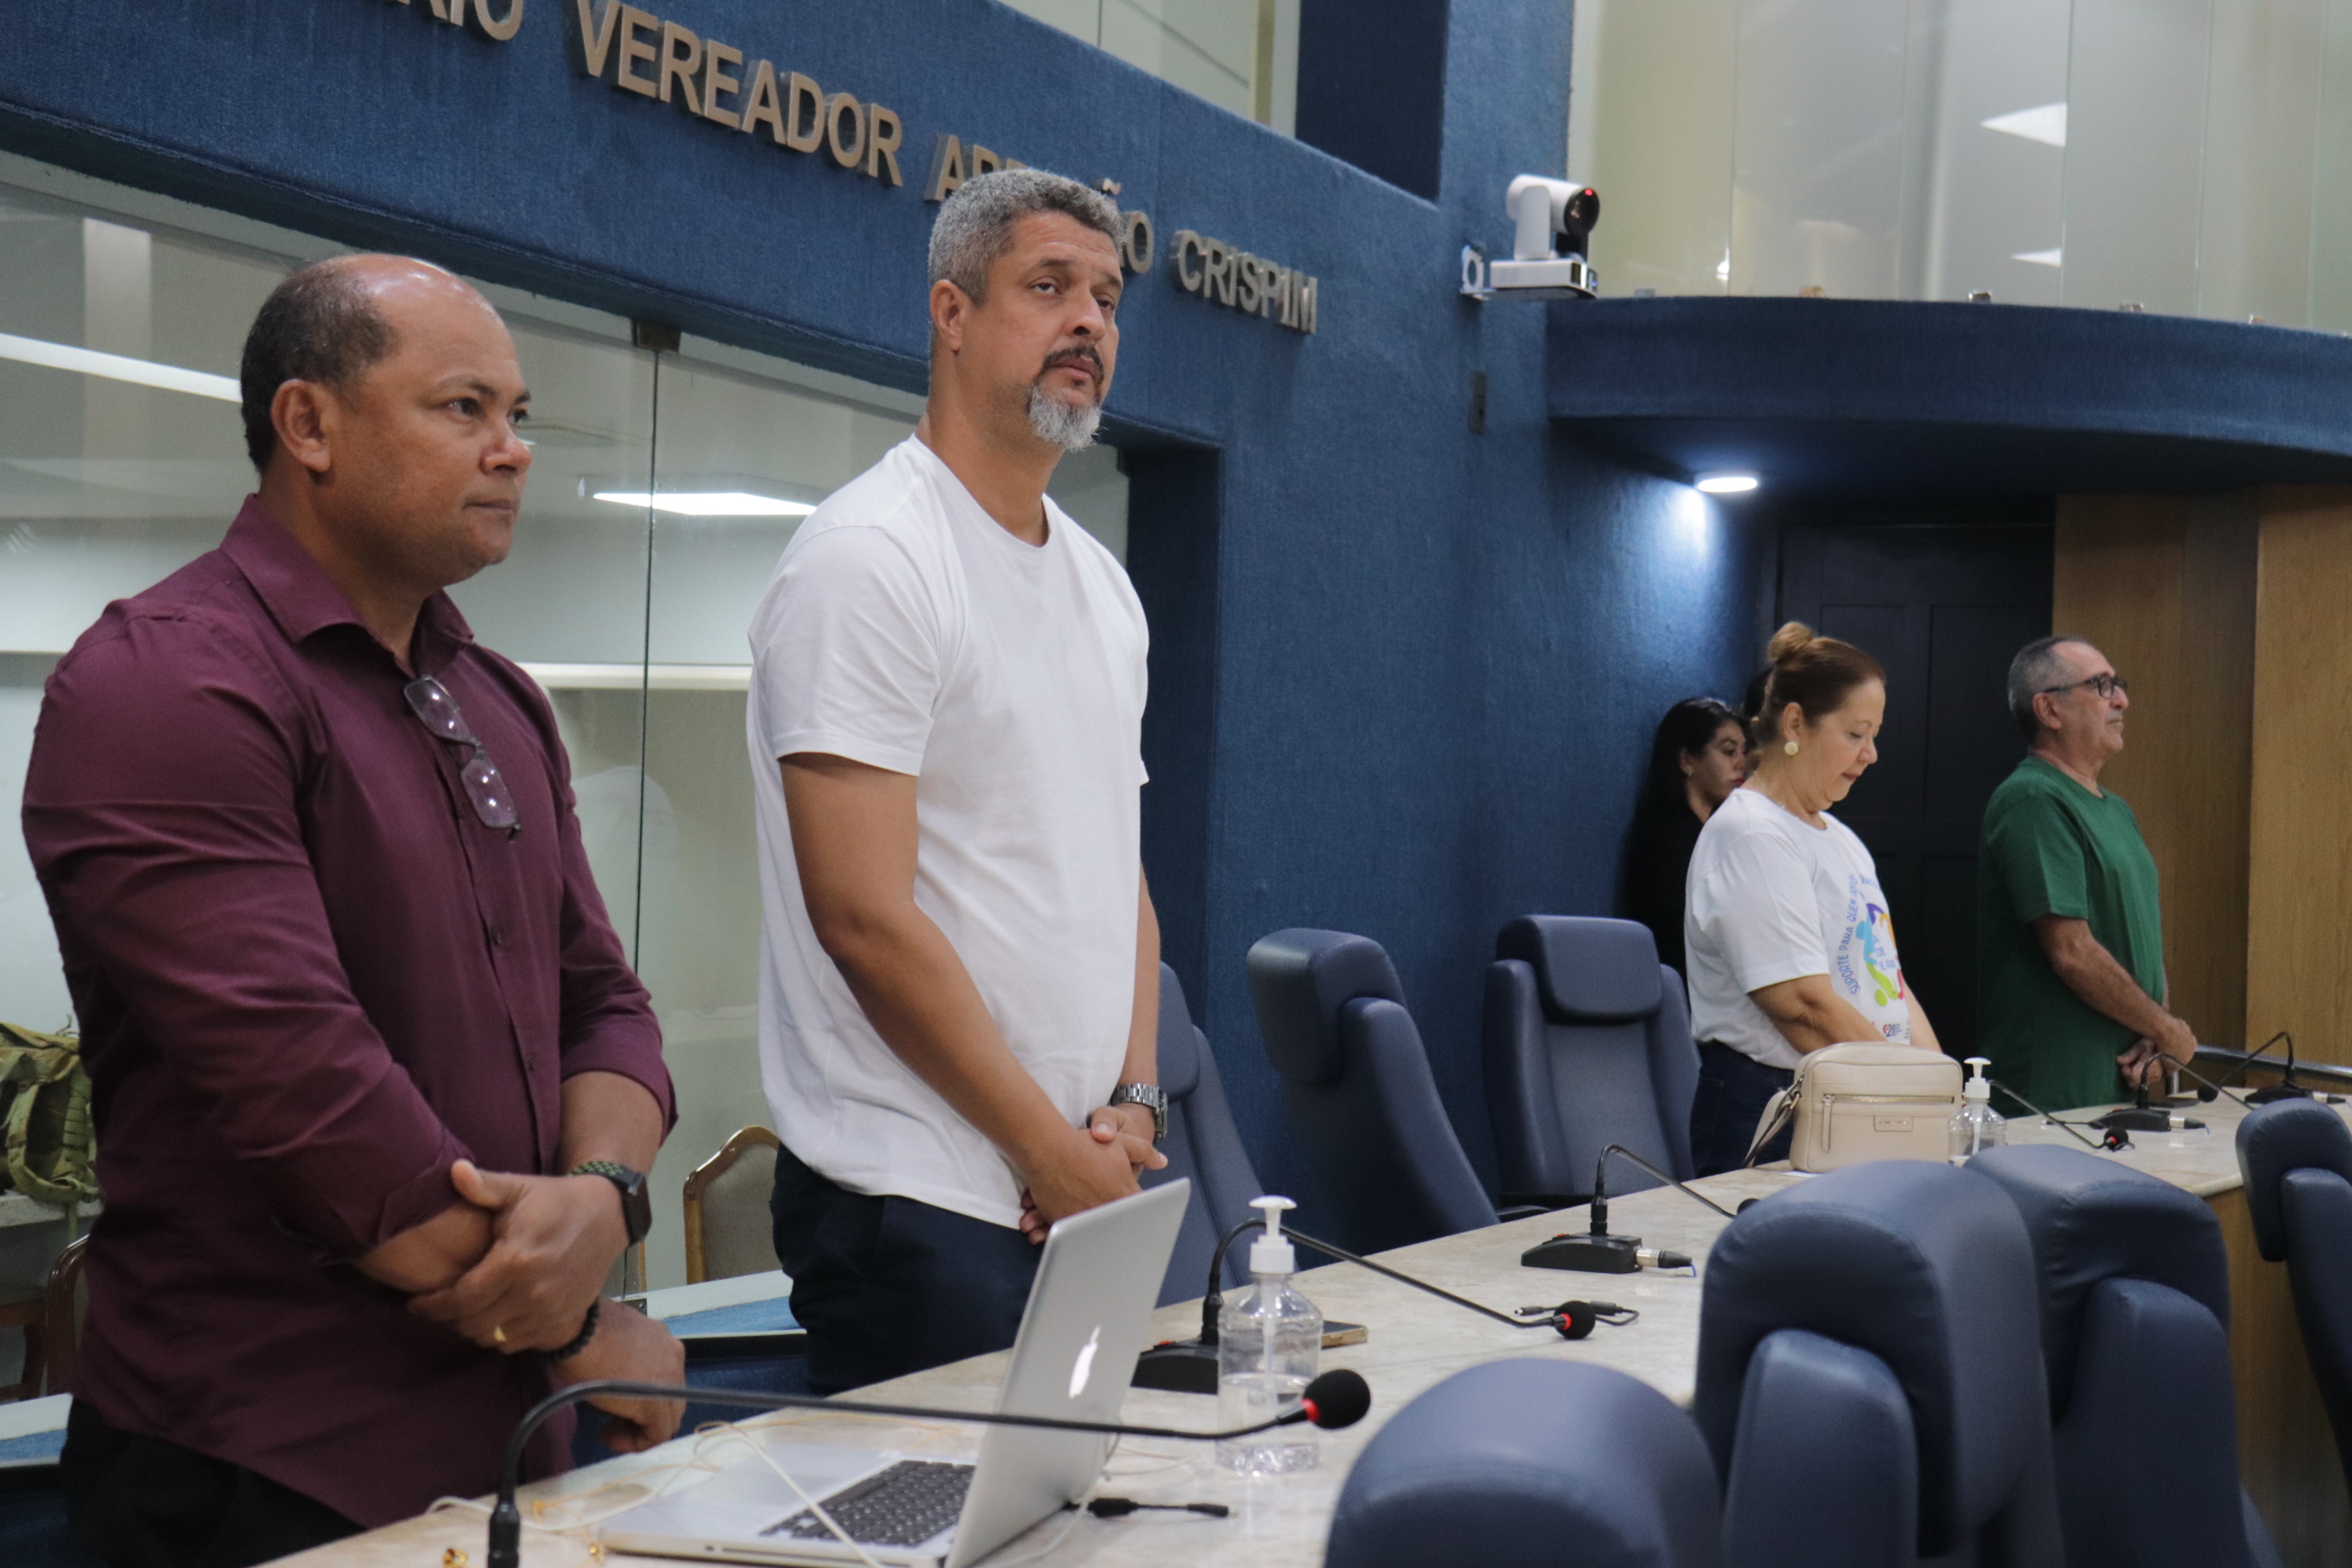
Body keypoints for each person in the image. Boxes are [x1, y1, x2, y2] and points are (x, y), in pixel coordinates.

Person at [22, 257, 685, 1566]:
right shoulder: (167, 682)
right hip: (260, 1465)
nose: (512, 449)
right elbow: (305, 1093)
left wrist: (605, 1194)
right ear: (309, 424)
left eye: (518, 415)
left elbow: (602, 1002)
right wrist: (570, 1318)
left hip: (510, 1444)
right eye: (462, 408)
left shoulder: (496, 698)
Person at [746, 170, 1165, 1396]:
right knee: (945, 1509)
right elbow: (862, 917)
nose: (1087, 322)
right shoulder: (871, 558)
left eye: (1106, 298)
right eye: (1048, 287)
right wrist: (1047, 1151)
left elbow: (1118, 874)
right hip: (917, 1202)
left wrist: (1133, 1102)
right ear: (953, 313)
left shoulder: (1102, 584)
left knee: (1087, 1499)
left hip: (1078, 1180)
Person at [1684, 622, 1944, 1174]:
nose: (1871, 754)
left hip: (1861, 1093)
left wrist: (1943, 1090)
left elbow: (1889, 980)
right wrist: (1911, 1094)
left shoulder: (1842, 839)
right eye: (1855, 734)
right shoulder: (1751, 834)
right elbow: (1803, 1006)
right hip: (1775, 1107)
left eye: (1874, 735)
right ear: (1795, 723)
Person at [1979, 635, 2185, 1112]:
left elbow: (2140, 938)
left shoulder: (2117, 809)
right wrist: (2167, 1030)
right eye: (2101, 685)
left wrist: (2157, 1033)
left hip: (2121, 1082)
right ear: (2049, 710)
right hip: (2056, 1091)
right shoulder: (2033, 799)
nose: (2122, 699)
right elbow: (2071, 952)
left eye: (2118, 684)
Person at [1623, 697, 1747, 976]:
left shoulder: (1718, 833)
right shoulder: (1664, 836)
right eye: (1729, 751)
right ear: (1686, 760)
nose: (1741, 763)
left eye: (1743, 751)